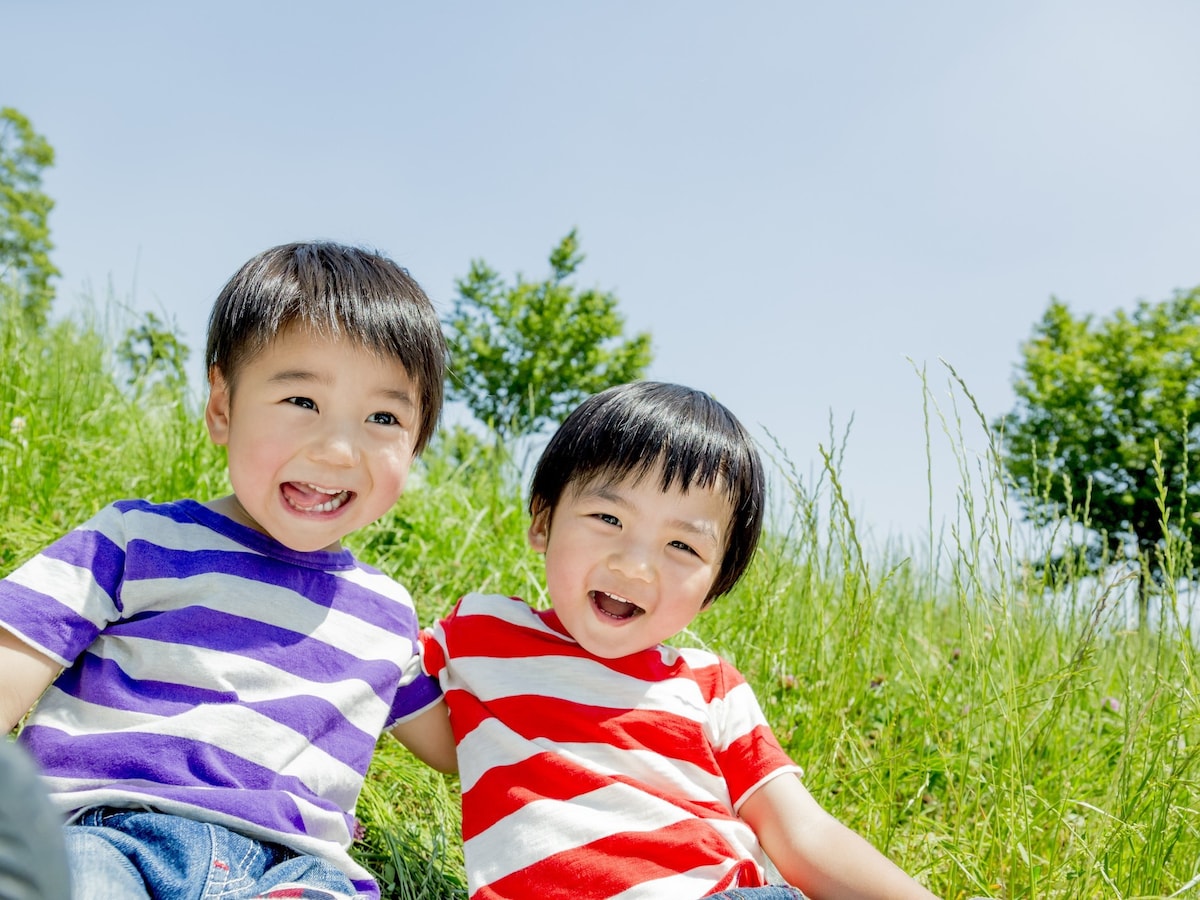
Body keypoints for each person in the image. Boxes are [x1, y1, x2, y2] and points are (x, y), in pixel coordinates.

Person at [0, 241, 458, 900]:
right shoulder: (135, 541)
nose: (336, 449)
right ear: (222, 408)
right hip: (108, 833)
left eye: (383, 417)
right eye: (302, 399)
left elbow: (460, 746)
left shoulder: (386, 616)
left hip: (295, 871)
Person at [421, 382, 940, 900]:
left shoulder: (709, 687)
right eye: (608, 518)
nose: (635, 565)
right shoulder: (481, 635)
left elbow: (804, 834)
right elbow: (393, 694)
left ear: (714, 586)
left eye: (681, 545)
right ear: (543, 519)